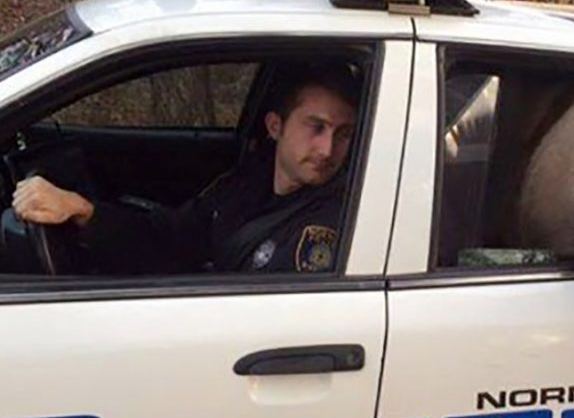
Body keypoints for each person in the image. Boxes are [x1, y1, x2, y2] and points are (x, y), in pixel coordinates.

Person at [11, 64, 359, 274]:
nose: (327, 150)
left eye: (343, 134)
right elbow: (174, 236)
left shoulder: (334, 220)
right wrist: (83, 212)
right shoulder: (250, 179)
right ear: (274, 126)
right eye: (316, 127)